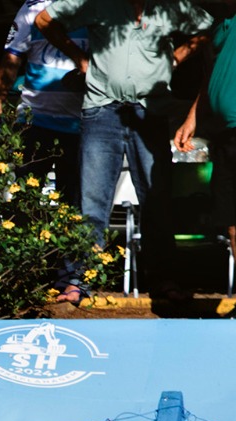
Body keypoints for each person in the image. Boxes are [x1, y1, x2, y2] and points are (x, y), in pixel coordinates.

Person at [35, 0, 212, 299]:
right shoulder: (96, 2)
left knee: (157, 201)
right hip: (102, 109)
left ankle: (163, 282)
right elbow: (43, 19)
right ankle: (78, 281)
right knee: (92, 202)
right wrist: (80, 58)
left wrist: (178, 56)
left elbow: (210, 28)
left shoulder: (170, 6)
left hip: (151, 112)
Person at [0, 0, 88, 304]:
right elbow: (12, 57)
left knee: (72, 206)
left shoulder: (94, 7)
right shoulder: (31, 10)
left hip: (81, 122)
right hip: (34, 121)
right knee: (24, 204)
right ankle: (22, 275)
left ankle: (68, 280)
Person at [174, 0, 236, 285]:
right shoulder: (221, 25)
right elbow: (212, 74)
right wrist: (192, 117)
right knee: (232, 222)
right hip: (225, 134)